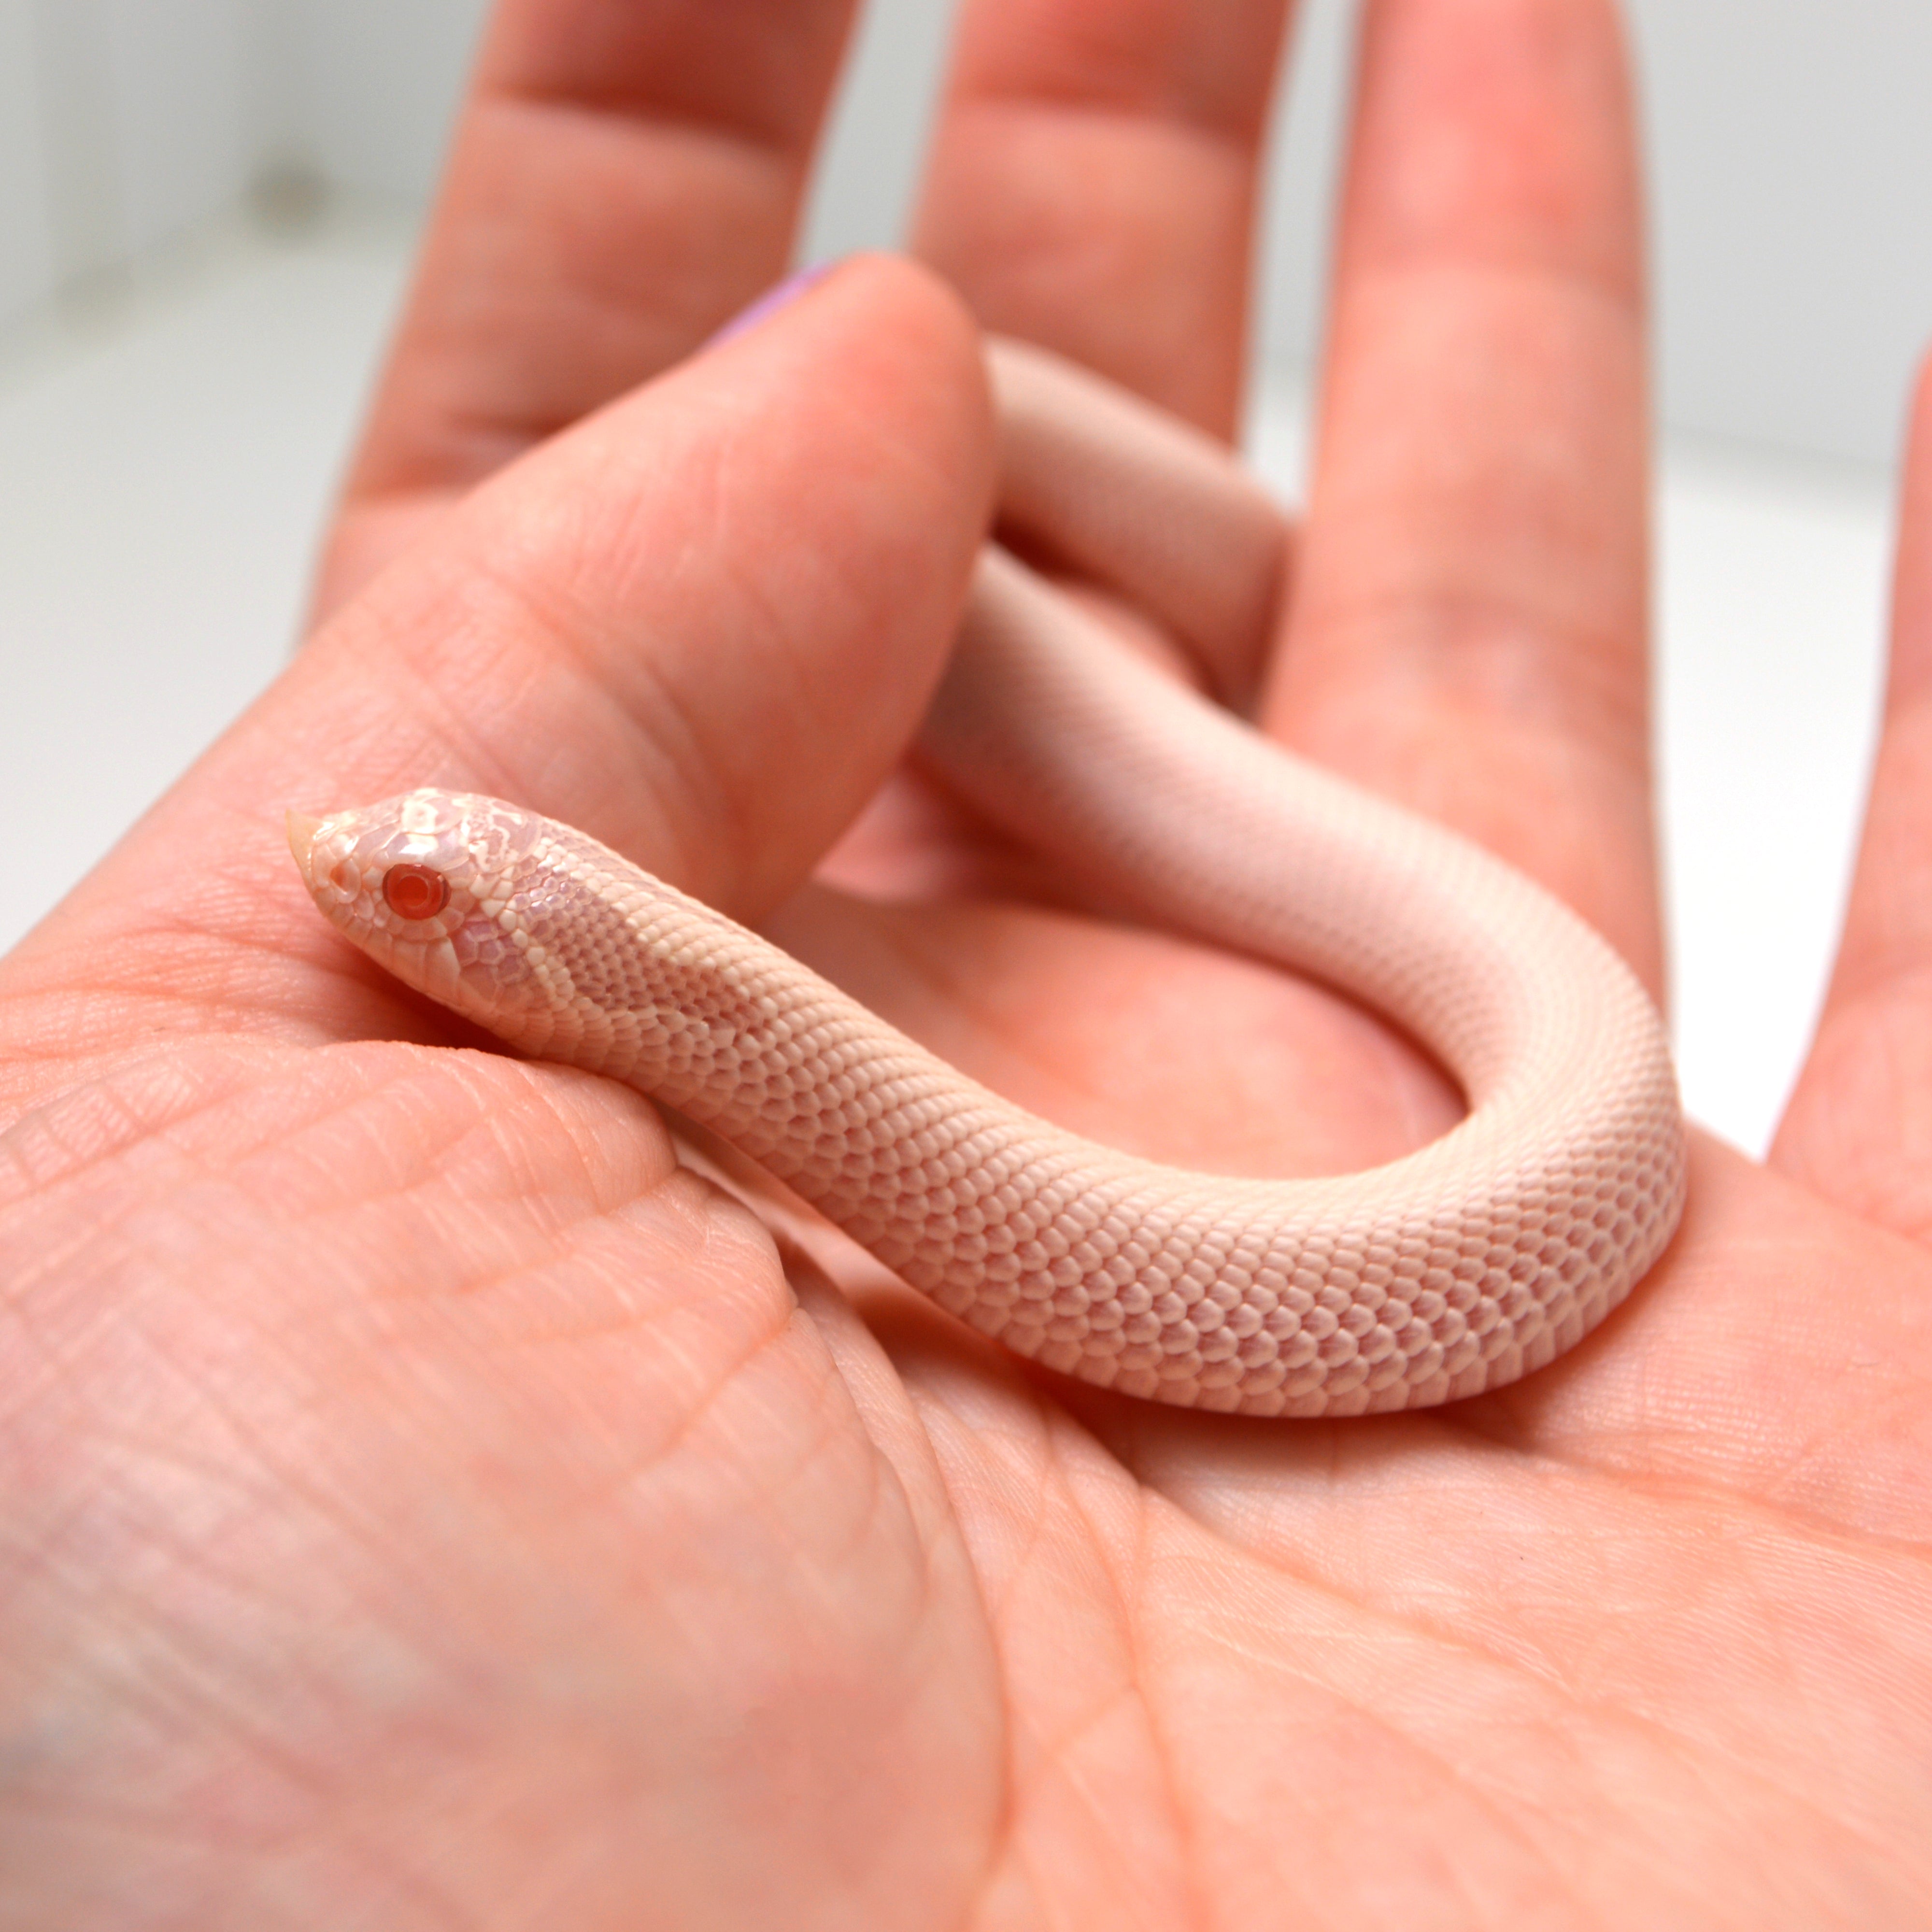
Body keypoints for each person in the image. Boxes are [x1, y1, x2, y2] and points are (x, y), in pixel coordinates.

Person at [0, 0, 1925, 1920]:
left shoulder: (661, 971)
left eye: (426, 896)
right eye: (417, 888)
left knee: (909, 409)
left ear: (551, 935)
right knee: (907, 420)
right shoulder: (648, 1002)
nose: (359, 873)